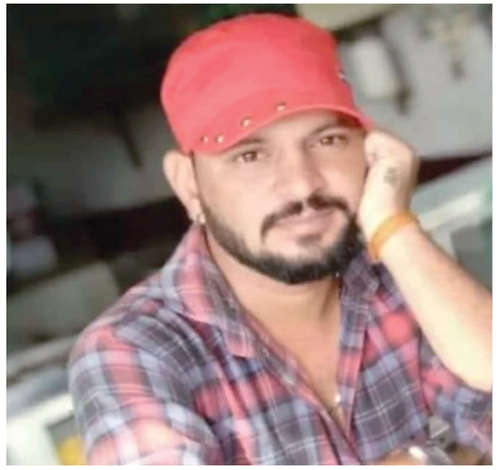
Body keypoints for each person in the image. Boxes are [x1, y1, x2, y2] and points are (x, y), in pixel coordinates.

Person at [68, 13, 491, 465]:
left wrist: (393, 225)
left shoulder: (402, 277)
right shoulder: (132, 348)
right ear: (188, 184)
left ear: (370, 150)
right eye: (250, 155)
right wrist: (438, 457)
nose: (302, 185)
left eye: (328, 140)